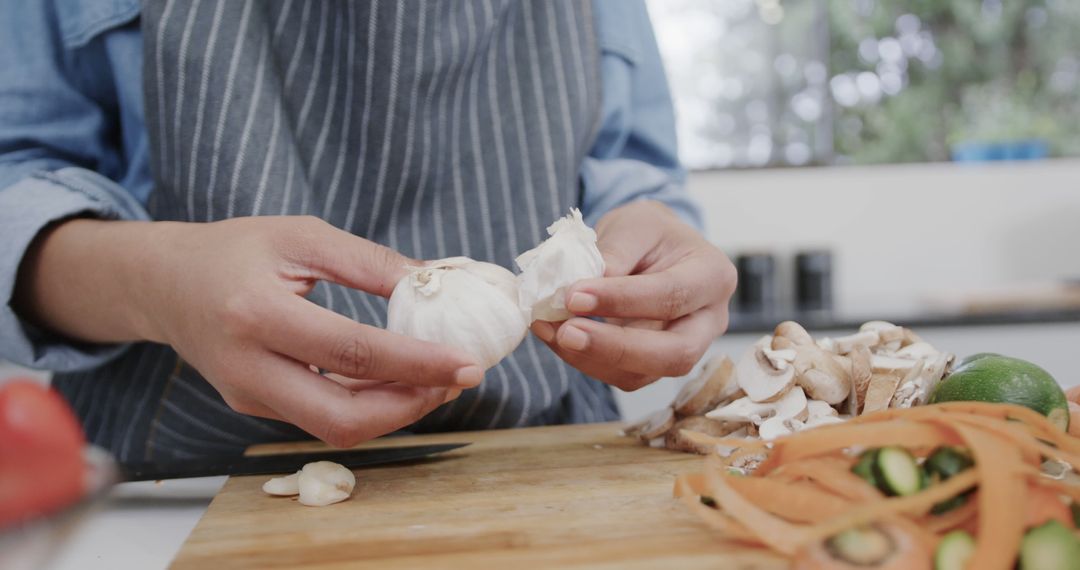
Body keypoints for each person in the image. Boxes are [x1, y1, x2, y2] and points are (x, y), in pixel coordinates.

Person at [0, 0, 736, 462]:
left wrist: (658, 256)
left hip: (534, 456)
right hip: (177, 486)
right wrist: (149, 283)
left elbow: (633, 174)